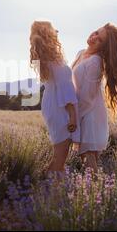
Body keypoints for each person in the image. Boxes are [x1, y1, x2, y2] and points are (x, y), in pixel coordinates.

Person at [72, 23, 117, 172]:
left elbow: (87, 98)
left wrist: (73, 118)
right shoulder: (80, 53)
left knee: (89, 158)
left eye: (99, 39)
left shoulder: (95, 62)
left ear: (104, 47)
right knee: (87, 160)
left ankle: (97, 192)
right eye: (95, 32)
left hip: (89, 115)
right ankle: (95, 191)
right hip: (81, 111)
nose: (94, 37)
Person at [30, 21, 80, 174]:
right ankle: (51, 190)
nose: (56, 31)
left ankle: (47, 183)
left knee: (60, 153)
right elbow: (65, 88)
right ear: (47, 32)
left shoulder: (45, 58)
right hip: (61, 108)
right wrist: (72, 115)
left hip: (51, 104)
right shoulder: (53, 59)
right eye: (53, 29)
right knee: (61, 154)